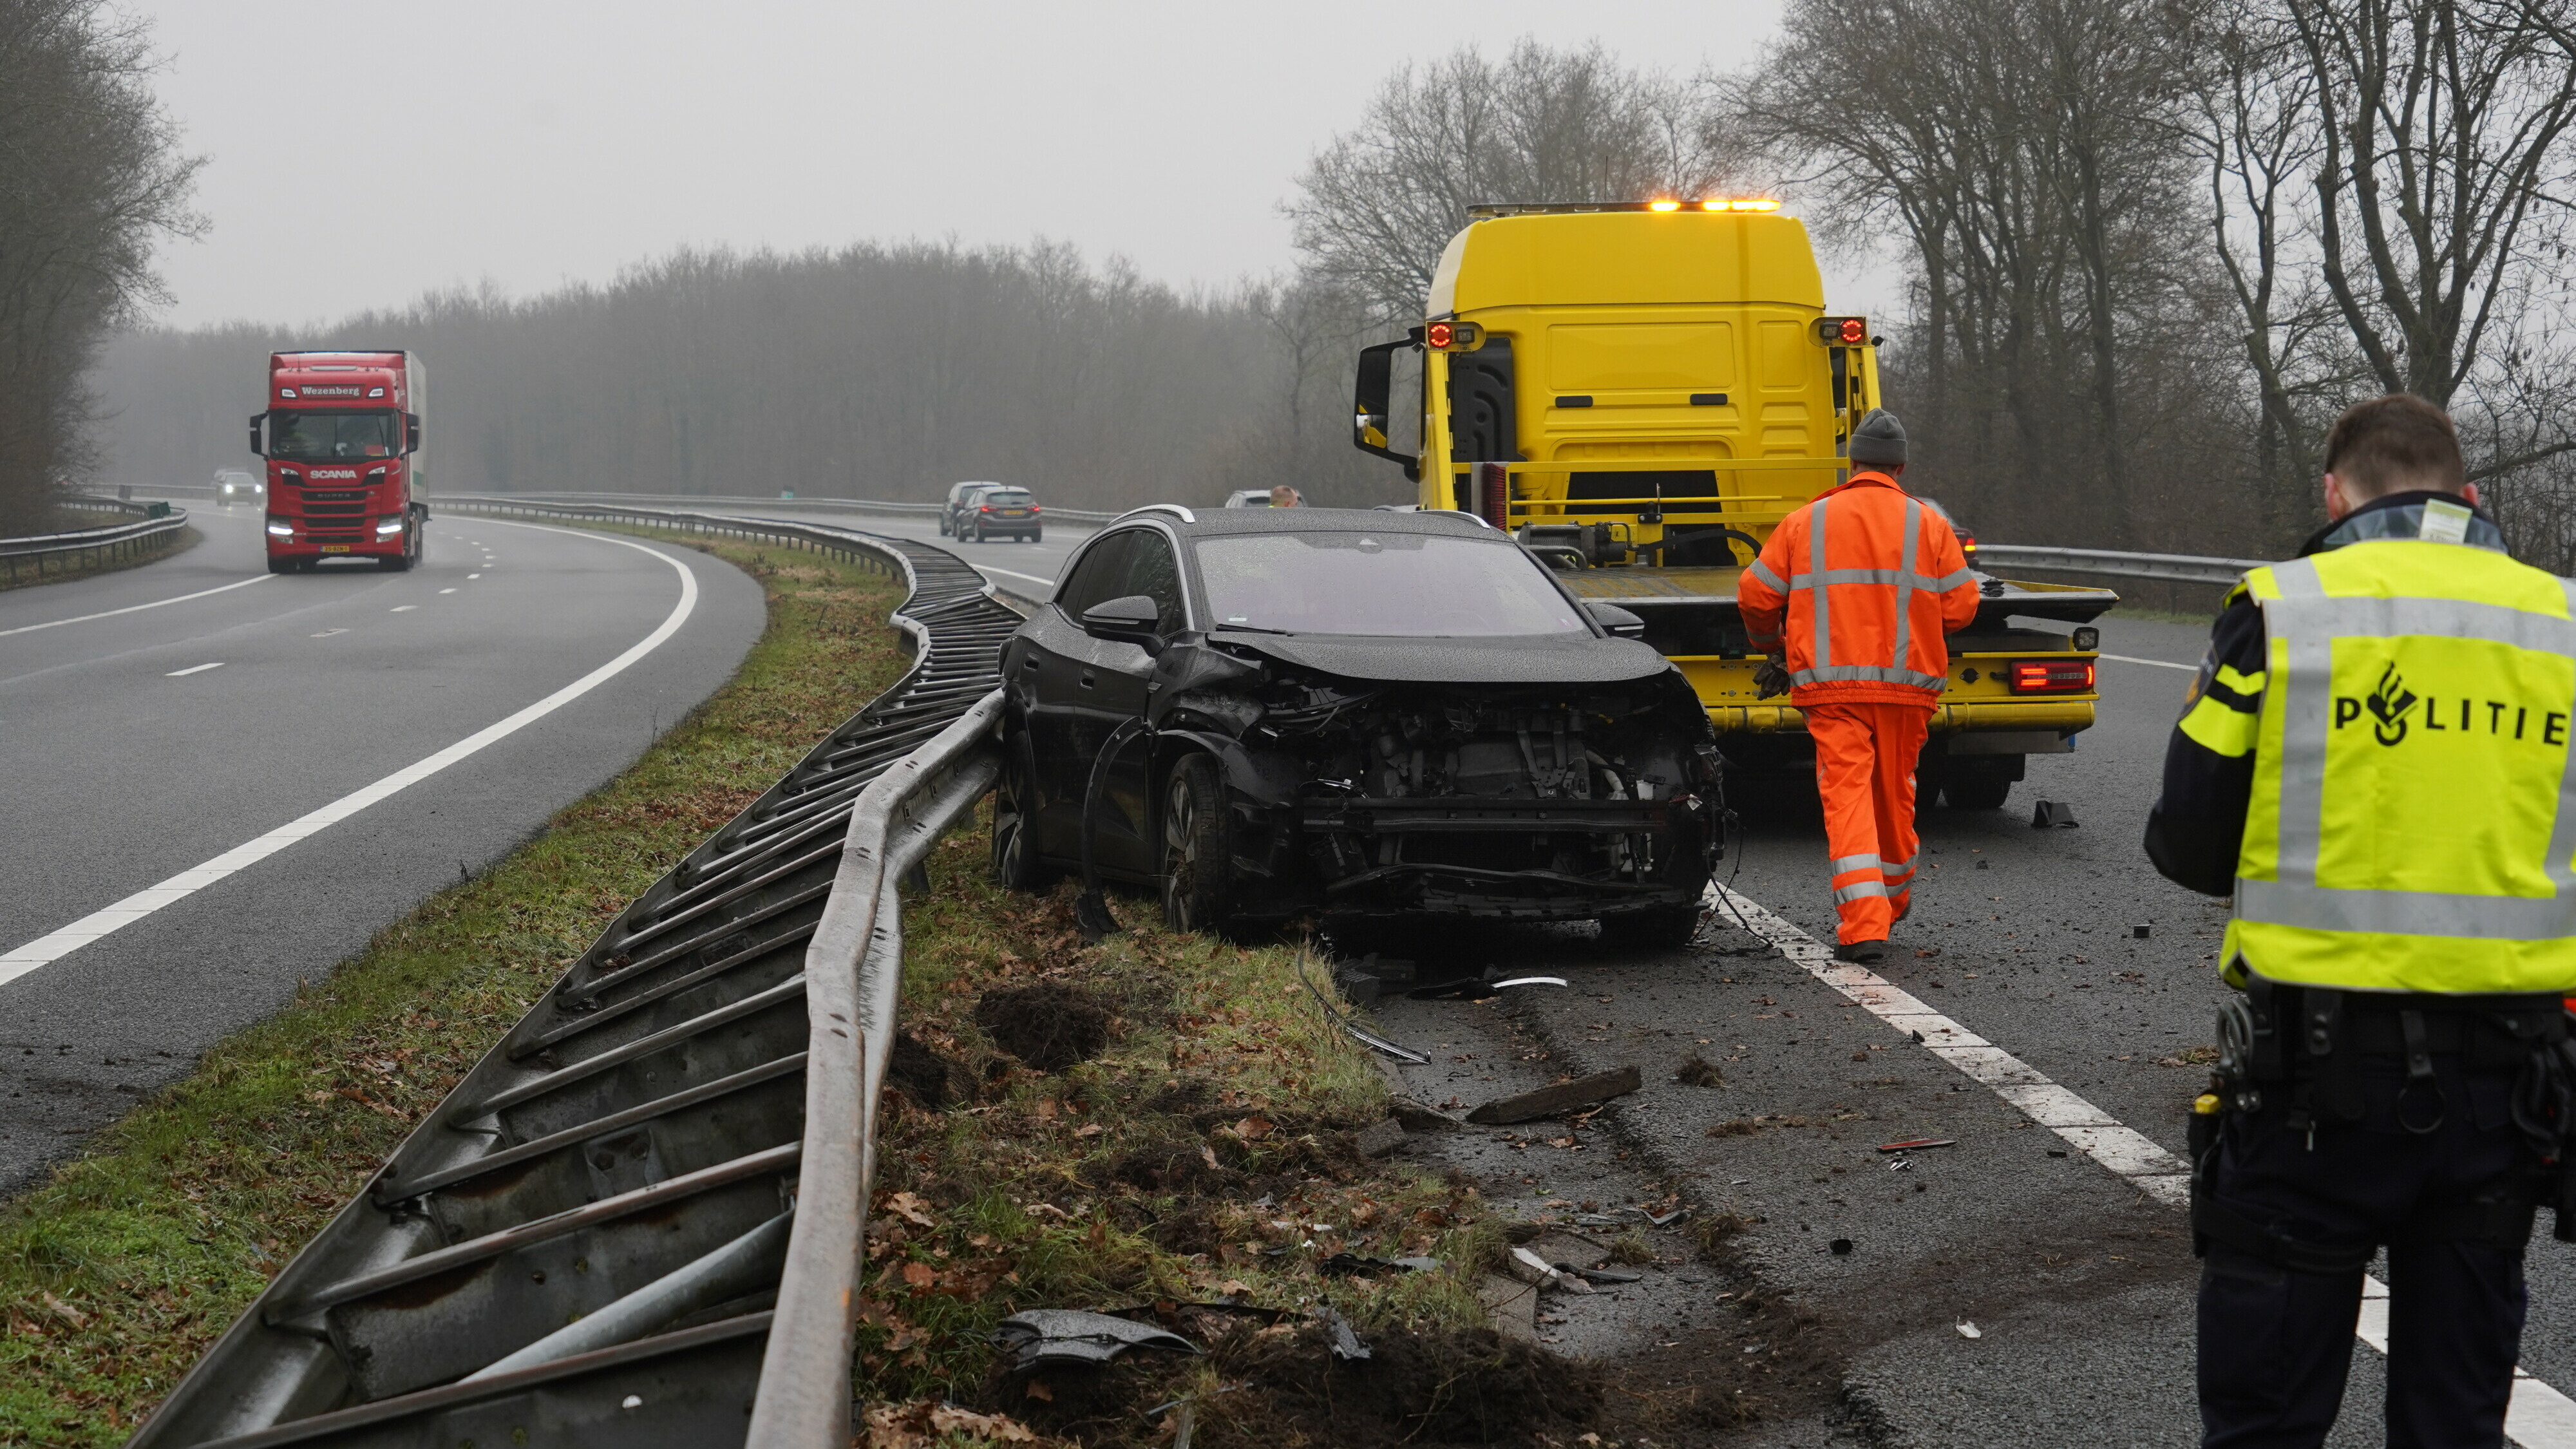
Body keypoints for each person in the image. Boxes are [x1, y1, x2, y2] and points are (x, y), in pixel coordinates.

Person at [2145, 393, 2576, 1447]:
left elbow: (2189, 844)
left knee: (2268, 1418)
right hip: (2505, 1097)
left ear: (2334, 495)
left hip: (2309, 1092)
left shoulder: (2284, 608)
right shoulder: (2563, 622)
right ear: (2471, 497)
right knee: (2456, 1418)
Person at [1737, 409, 1978, 964]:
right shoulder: (1929, 525)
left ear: (1852, 462)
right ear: (1901, 464)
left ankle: (1865, 924)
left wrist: (1768, 643)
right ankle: (1890, 901)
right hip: (1906, 686)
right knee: (1895, 794)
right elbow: (1962, 608)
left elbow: (1756, 596)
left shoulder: (1805, 522)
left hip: (1831, 689)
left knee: (1847, 794)